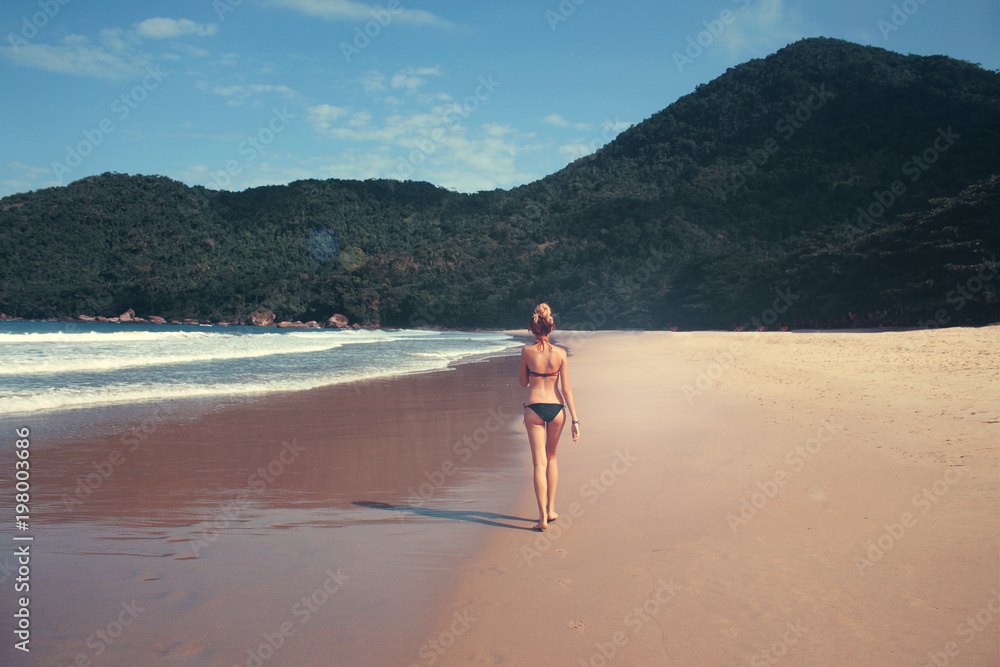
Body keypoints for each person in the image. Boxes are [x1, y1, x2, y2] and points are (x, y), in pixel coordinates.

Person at [519, 303, 579, 531]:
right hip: (556, 409)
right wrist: (575, 420)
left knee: (538, 463)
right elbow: (567, 390)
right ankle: (552, 509)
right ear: (551, 328)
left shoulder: (527, 352)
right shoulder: (561, 354)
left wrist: (533, 373)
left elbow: (523, 382)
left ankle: (542, 518)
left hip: (534, 408)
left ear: (533, 329)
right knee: (552, 459)